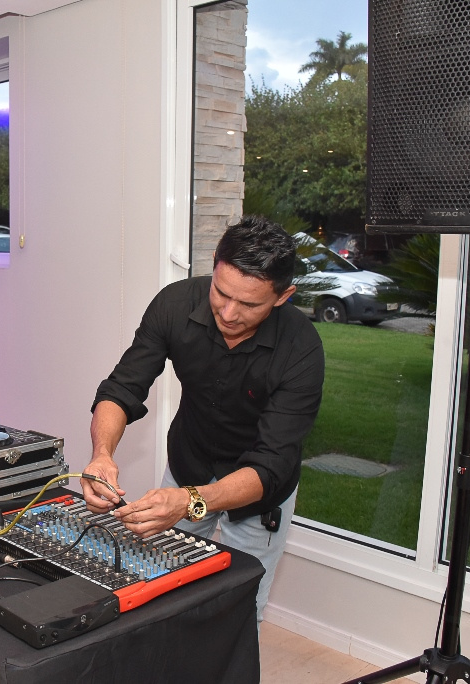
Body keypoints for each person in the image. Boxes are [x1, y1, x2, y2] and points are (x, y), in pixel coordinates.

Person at [82, 215, 325, 622]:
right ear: (214, 263)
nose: (229, 313)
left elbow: (271, 464)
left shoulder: (301, 350)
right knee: (157, 590)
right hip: (189, 461)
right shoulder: (175, 304)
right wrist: (101, 453)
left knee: (238, 612)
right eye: (221, 292)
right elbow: (121, 388)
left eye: (249, 304)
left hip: (258, 490)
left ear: (283, 296)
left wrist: (190, 501)